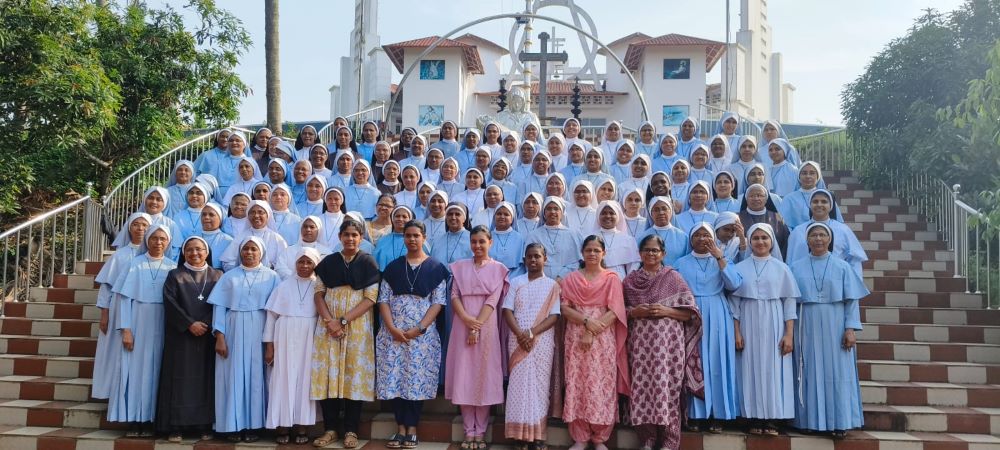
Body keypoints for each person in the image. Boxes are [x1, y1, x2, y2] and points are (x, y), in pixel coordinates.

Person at [789, 223, 868, 438]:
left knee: (837, 373)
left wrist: (850, 328)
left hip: (835, 324)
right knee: (807, 371)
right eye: (813, 235)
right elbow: (789, 301)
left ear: (829, 239)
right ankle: (806, 420)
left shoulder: (843, 267)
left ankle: (838, 421)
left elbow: (852, 301)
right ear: (807, 240)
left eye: (823, 234)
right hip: (805, 323)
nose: (818, 239)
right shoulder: (795, 266)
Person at [624, 235, 703, 450]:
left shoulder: (673, 278)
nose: (651, 254)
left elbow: (691, 315)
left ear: (663, 254)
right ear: (640, 254)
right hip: (640, 347)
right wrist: (633, 312)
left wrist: (666, 310)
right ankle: (647, 440)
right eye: (647, 250)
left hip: (669, 348)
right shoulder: (630, 282)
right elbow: (618, 312)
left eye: (655, 250)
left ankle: (669, 441)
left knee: (667, 389)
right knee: (643, 389)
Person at [376, 220, 449, 449]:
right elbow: (383, 300)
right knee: (396, 380)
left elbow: (438, 302)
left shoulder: (436, 268)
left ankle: (413, 428)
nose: (412, 239)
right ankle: (400, 428)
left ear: (424, 238)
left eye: (416, 235)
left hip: (422, 337)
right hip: (393, 334)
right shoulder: (393, 267)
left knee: (415, 381)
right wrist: (392, 328)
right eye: (408, 235)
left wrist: (419, 328)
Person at [310, 220, 381, 449]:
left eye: (355, 235)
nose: (350, 239)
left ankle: (351, 430)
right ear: (340, 236)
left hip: (357, 328)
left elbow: (370, 299)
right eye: (346, 234)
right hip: (328, 327)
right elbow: (319, 293)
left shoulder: (368, 262)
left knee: (353, 376)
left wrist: (343, 321)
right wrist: (330, 322)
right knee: (328, 375)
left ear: (361, 238)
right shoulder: (329, 262)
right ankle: (330, 429)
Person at [560, 235, 630, 450]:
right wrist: (587, 322)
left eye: (596, 250)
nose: (592, 254)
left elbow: (615, 310)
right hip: (576, 336)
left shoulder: (612, 278)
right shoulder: (571, 278)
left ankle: (600, 438)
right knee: (577, 383)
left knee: (601, 385)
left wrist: (594, 329)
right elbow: (565, 308)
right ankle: (580, 437)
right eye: (588, 250)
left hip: (603, 339)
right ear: (582, 253)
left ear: (604, 253)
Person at [208, 236, 281, 442]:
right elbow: (219, 307)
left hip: (260, 328)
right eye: (246, 249)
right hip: (232, 328)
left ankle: (254, 426)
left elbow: (274, 312)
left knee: (257, 378)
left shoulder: (272, 277)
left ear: (262, 253)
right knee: (232, 376)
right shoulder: (229, 277)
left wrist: (271, 343)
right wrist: (219, 336)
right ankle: (232, 425)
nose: (249, 253)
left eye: (254, 249)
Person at [730, 223, 801, 436]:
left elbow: (789, 303)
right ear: (749, 242)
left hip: (775, 321)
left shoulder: (782, 268)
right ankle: (752, 417)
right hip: (748, 322)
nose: (760, 242)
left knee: (774, 369)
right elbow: (734, 305)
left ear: (771, 242)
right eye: (756, 238)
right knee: (749, 369)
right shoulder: (739, 268)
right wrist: (737, 332)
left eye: (764, 238)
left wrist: (789, 334)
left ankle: (772, 418)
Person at [108, 224, 176, 437]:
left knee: (155, 372)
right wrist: (126, 329)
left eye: (162, 239)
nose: (158, 242)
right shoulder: (134, 264)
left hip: (162, 324)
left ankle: (150, 419)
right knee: (135, 371)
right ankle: (133, 420)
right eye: (154, 238)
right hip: (137, 321)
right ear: (147, 240)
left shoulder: (172, 268)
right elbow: (124, 299)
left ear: (169, 242)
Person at [673, 223, 742, 433]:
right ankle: (695, 414)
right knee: (694, 362)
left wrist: (719, 257)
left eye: (707, 235)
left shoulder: (722, 260)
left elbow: (734, 285)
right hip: (691, 314)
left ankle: (718, 415)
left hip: (717, 313)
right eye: (698, 235)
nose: (702, 239)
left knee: (717, 362)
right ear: (691, 239)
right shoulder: (680, 263)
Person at [447, 226, 509, 449]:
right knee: (464, 375)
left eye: (482, 241)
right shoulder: (460, 267)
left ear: (490, 242)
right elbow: (454, 296)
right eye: (474, 241)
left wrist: (476, 325)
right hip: (462, 323)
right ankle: (468, 431)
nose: (477, 246)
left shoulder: (499, 269)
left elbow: (492, 301)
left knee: (483, 376)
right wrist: (466, 320)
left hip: (487, 325)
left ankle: (480, 432)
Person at [157, 236, 221, 442]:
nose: (195, 253)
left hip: (208, 337)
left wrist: (207, 323)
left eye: (199, 249)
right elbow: (170, 303)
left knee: (206, 381)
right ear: (184, 252)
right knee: (180, 380)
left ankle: (204, 424)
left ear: (207, 252)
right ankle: (176, 426)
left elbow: (220, 304)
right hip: (181, 337)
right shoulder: (175, 275)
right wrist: (189, 324)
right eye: (190, 250)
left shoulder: (218, 275)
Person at [502, 244, 561, 450]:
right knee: (518, 387)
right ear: (524, 260)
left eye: (537, 256)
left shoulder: (552, 285)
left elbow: (554, 315)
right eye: (529, 257)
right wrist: (521, 334)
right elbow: (507, 310)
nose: (533, 260)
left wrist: (531, 333)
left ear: (545, 258)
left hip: (541, 341)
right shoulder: (516, 282)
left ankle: (536, 437)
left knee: (539, 388)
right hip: (517, 340)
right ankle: (518, 437)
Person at [263, 248, 321, 444]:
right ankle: (282, 426)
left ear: (315, 264)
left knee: (305, 381)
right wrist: (269, 346)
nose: (304, 266)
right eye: (301, 262)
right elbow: (271, 317)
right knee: (282, 378)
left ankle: (302, 426)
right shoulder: (283, 286)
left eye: (309, 262)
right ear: (295, 264)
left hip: (309, 337)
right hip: (284, 335)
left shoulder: (320, 286)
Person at [92, 212, 149, 402]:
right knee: (117, 351)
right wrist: (104, 313)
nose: (140, 229)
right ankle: (111, 392)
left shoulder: (154, 255)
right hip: (118, 307)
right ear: (129, 228)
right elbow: (106, 286)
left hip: (143, 309)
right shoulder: (120, 255)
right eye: (136, 225)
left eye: (144, 225)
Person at [786, 189, 868, 277]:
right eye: (815, 201)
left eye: (824, 202)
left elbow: (854, 261)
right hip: (804, 282)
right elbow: (790, 261)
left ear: (831, 206)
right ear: (810, 205)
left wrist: (853, 284)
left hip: (836, 281)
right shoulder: (798, 232)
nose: (819, 205)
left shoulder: (843, 230)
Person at [218, 200, 288, 270]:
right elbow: (227, 262)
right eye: (252, 212)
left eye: (261, 212)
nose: (256, 215)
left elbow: (284, 265)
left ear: (268, 216)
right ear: (248, 215)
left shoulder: (277, 238)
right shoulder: (241, 237)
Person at [526, 197, 582, 280]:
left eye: (556, 209)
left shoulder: (573, 234)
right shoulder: (534, 235)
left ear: (562, 213)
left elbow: (577, 262)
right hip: (540, 281)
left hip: (568, 281)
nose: (552, 212)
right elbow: (529, 262)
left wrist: (561, 277)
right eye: (549, 209)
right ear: (544, 213)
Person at [739, 184, 791, 259]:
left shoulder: (777, 218)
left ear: (766, 199)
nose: (756, 198)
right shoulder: (738, 218)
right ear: (746, 198)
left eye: (760, 195)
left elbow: (785, 242)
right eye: (752, 196)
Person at [592, 201, 640, 279]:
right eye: (603, 213)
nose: (608, 216)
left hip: (620, 279)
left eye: (612, 213)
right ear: (598, 216)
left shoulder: (628, 240)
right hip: (596, 278)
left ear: (617, 216)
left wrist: (627, 281)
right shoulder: (591, 239)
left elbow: (633, 264)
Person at [638, 197, 689, 267]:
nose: (661, 212)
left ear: (671, 211)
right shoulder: (643, 237)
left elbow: (687, 262)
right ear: (651, 214)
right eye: (656, 210)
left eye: (664, 209)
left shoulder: (683, 237)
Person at [374, 205, 417, 270]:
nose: (400, 219)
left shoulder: (416, 240)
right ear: (392, 219)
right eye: (397, 216)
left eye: (404, 217)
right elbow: (375, 263)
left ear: (410, 220)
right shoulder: (383, 240)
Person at [489, 202, 524, 273]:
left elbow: (520, 266)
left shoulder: (519, 238)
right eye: (499, 214)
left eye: (506, 214)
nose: (502, 216)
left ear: (512, 219)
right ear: (494, 217)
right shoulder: (488, 237)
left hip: (513, 277)